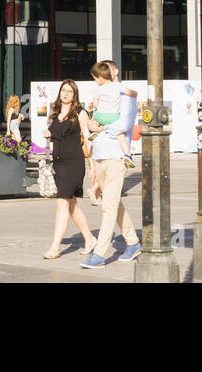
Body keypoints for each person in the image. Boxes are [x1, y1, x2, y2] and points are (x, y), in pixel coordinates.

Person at [79, 81, 140, 269]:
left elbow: (125, 122)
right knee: (114, 204)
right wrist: (93, 121)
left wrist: (105, 124)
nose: (100, 81)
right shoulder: (101, 98)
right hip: (100, 156)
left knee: (109, 207)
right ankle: (133, 242)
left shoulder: (125, 97)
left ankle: (99, 254)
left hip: (116, 157)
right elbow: (91, 124)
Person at [41, 80, 95, 260]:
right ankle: (89, 238)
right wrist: (48, 133)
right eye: (63, 91)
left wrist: (92, 166)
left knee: (62, 203)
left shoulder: (80, 113)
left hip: (74, 163)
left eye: (69, 92)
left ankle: (55, 248)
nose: (65, 94)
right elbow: (52, 132)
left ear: (74, 95)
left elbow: (89, 138)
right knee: (71, 205)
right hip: (59, 163)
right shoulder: (55, 113)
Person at [84, 61, 136, 167]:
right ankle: (128, 155)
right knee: (119, 135)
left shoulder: (98, 89)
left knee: (97, 121)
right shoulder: (118, 87)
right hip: (99, 155)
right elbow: (131, 92)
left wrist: (101, 127)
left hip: (115, 157)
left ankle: (97, 132)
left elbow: (124, 125)